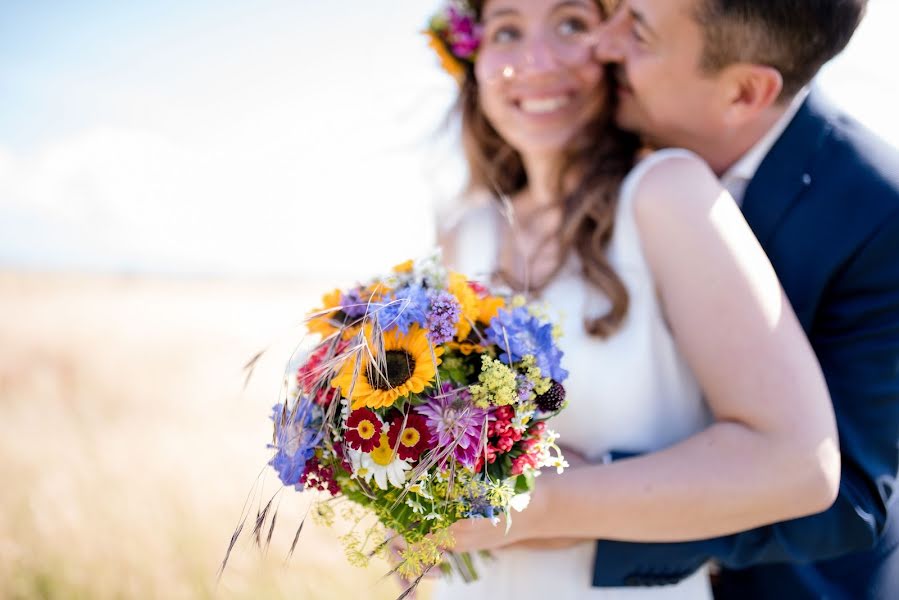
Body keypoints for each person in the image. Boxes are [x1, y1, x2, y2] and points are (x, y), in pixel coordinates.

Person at [423, 0, 842, 597]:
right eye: (507, 30)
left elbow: (799, 463)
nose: (536, 62)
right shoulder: (466, 232)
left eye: (571, 23)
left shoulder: (668, 194)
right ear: (474, 56)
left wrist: (543, 505)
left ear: (615, 48)